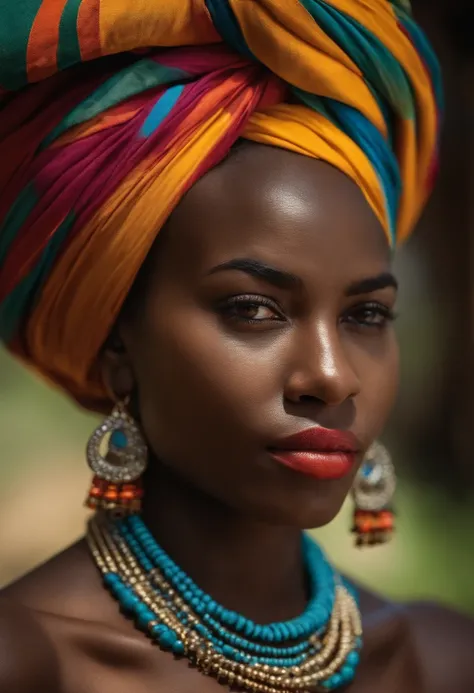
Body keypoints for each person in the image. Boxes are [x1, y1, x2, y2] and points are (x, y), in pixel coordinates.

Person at [0, 1, 473, 691]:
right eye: (254, 310)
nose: (332, 375)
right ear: (116, 344)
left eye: (367, 314)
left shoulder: (439, 660)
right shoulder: (31, 662)